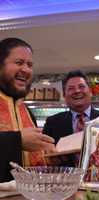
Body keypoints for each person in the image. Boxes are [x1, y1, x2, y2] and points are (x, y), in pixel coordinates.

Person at [0, 38, 55, 182]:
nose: (26, 69)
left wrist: (51, 158)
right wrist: (17, 140)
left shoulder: (26, 111)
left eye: (29, 65)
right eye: (19, 63)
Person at [43, 70, 99, 165]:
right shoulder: (52, 122)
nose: (77, 91)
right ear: (64, 95)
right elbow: (44, 156)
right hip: (65, 178)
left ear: (91, 92)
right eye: (71, 88)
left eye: (81, 87)